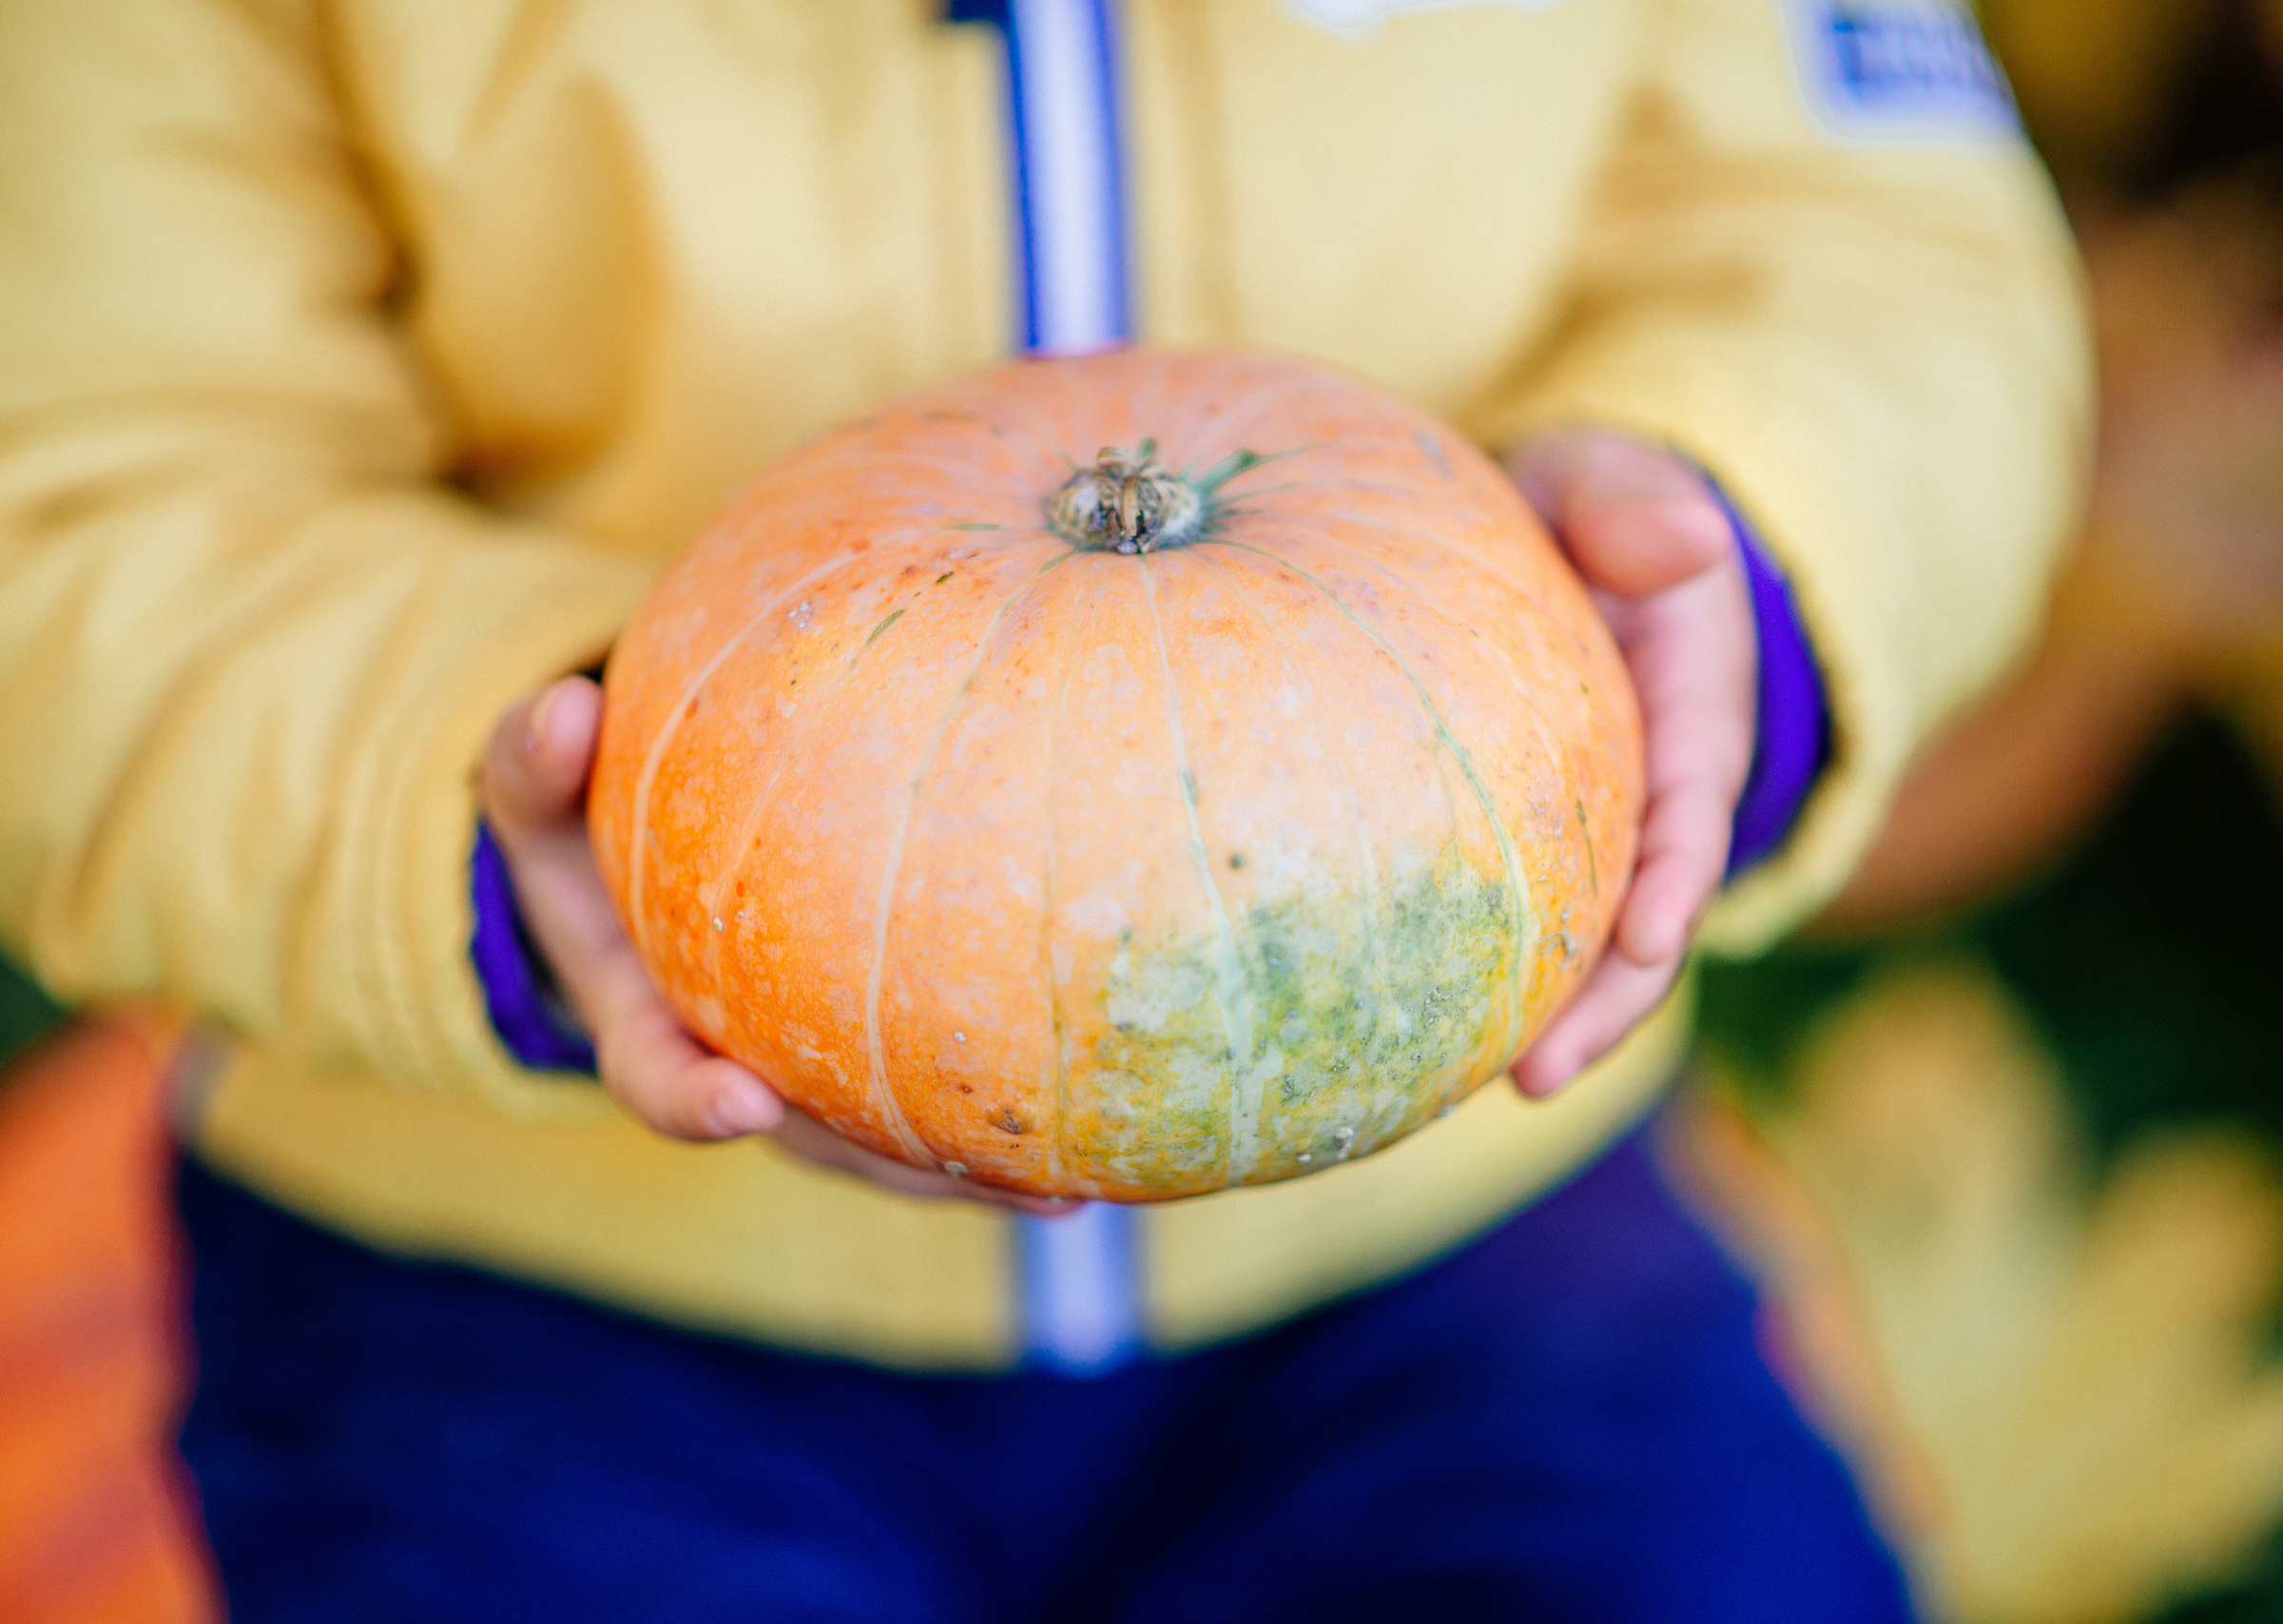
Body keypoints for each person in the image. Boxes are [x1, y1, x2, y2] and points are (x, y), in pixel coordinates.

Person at [0, 0, 2087, 1615]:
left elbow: (1881, 250)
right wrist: (514, 802)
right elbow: (74, 508)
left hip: (1442, 1219)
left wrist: (1737, 560)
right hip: (514, 1264)